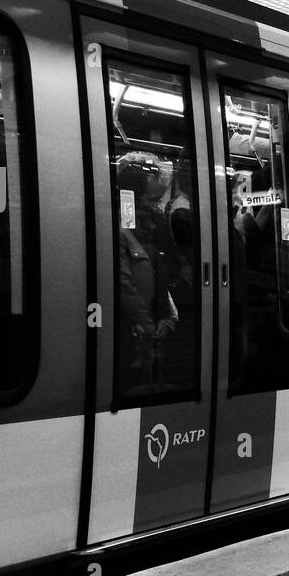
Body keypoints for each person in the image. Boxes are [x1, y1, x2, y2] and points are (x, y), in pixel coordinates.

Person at [116, 151, 179, 395]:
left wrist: (168, 319)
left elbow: (161, 280)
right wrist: (147, 327)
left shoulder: (151, 231)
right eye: (149, 199)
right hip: (131, 337)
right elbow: (124, 285)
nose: (155, 205)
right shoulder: (121, 232)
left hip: (153, 331)